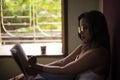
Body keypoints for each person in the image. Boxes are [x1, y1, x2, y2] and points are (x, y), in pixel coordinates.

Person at [10, 10, 110, 80]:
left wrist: (37, 68)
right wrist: (35, 70)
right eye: (80, 28)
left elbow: (64, 70)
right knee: (28, 77)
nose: (81, 32)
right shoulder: (84, 47)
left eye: (85, 28)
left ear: (96, 28)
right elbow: (63, 62)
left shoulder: (98, 53)